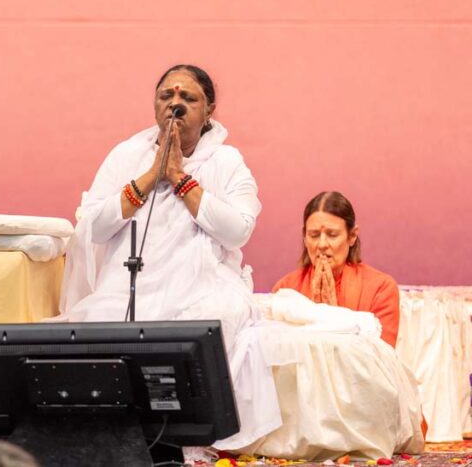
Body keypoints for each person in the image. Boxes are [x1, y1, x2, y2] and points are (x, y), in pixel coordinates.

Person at [58, 64, 279, 448]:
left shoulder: (227, 162)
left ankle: (184, 441)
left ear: (208, 110)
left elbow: (237, 230)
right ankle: (114, 439)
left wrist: (179, 178)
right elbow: (92, 226)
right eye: (166, 96)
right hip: (127, 284)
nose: (175, 104)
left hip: (202, 285)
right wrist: (149, 176)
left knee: (209, 325)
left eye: (188, 98)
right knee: (96, 325)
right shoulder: (126, 155)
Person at [272, 191, 400, 346]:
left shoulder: (381, 288)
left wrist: (332, 318)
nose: (322, 244)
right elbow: (276, 352)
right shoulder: (285, 289)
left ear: (352, 236)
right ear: (304, 237)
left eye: (332, 235)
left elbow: (381, 361)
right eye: (314, 235)